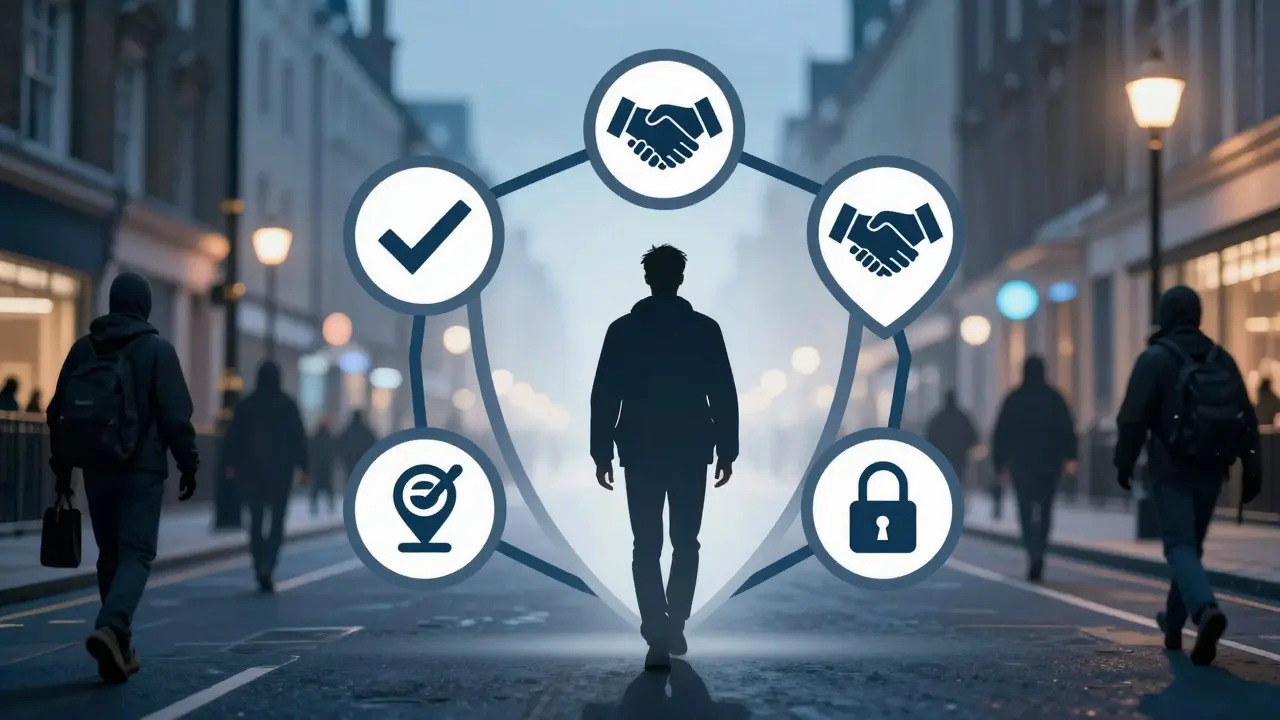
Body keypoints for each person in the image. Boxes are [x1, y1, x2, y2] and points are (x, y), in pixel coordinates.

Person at [590, 244, 739, 671]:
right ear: (681, 278)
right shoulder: (705, 329)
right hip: (692, 448)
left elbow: (605, 395)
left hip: (640, 448)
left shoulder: (622, 330)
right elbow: (722, 391)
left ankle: (655, 625)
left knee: (646, 543)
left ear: (647, 278)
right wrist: (727, 448)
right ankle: (676, 621)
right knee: (685, 541)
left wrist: (601, 451)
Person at [46, 272, 199, 684]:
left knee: (110, 555)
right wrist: (189, 464)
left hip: (96, 468)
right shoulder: (157, 351)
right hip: (142, 470)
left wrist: (63, 472)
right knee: (137, 554)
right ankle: (112, 627)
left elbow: (57, 411)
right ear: (145, 305)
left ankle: (119, 646)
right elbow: (175, 417)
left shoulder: (83, 350)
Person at [1114, 285, 1260, 666]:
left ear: (1164, 315)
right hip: (1214, 468)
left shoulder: (1156, 358)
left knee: (1179, 546)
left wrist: (1124, 462)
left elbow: (1132, 417)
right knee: (1189, 547)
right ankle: (1174, 624)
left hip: (1172, 465)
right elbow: (1246, 415)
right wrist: (1253, 467)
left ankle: (1204, 611)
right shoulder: (1221, 357)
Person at [992, 355, 1077, 582]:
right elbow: (1067, 428)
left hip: (1021, 464)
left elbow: (1001, 432)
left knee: (1025, 510)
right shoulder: (1054, 398)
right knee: (1046, 509)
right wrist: (1070, 457)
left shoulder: (1014, 398)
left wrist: (999, 464)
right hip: (1049, 463)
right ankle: (1041, 548)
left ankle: (1032, 549)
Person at [225, 361, 308, 592]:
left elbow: (234, 438)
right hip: (280, 472)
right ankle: (269, 563)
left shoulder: (246, 405)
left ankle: (258, 562)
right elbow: (299, 439)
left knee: (256, 520)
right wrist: (304, 468)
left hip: (251, 473)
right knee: (277, 521)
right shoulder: (288, 405)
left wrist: (231, 464)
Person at [926, 389, 978, 482]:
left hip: (942, 457)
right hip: (959, 457)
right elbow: (973, 436)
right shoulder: (962, 418)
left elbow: (929, 437)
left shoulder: (938, 419)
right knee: (958, 480)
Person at [309, 415, 337, 516]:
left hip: (318, 467)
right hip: (326, 467)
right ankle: (330, 506)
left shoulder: (316, 437)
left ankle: (314, 507)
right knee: (328, 488)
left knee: (316, 489)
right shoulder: (329, 437)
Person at [337, 409, 378, 476]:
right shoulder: (366, 432)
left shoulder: (348, 431)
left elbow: (340, 445)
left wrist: (343, 458)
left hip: (349, 461)